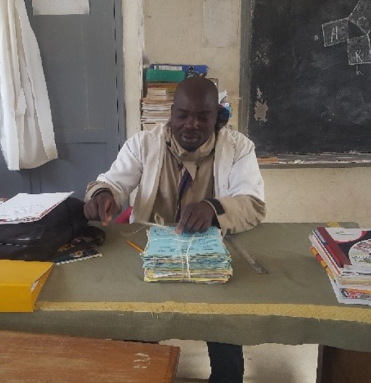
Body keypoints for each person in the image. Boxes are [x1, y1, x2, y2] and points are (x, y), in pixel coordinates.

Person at [83, 77, 266, 383]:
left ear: (216, 117)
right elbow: (114, 182)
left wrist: (213, 208)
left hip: (210, 259)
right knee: (140, 332)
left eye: (203, 117)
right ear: (171, 113)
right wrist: (101, 194)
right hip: (153, 257)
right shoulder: (144, 144)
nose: (191, 125)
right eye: (182, 115)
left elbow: (252, 202)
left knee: (225, 325)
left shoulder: (239, 148)